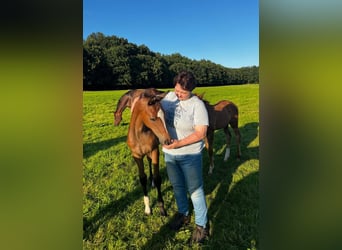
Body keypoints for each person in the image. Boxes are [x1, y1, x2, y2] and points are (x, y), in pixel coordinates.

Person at [161, 71, 210, 244]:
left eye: (182, 93)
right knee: (177, 186)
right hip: (169, 155)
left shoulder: (197, 105)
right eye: (176, 90)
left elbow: (200, 133)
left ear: (191, 91)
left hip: (190, 155)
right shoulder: (169, 97)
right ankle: (183, 214)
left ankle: (202, 226)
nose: (178, 95)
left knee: (195, 190)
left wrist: (178, 144)